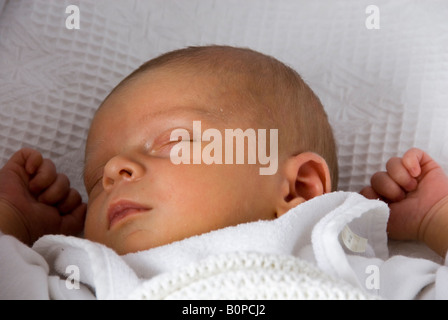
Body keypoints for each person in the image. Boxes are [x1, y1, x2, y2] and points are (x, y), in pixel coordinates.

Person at [0, 46, 447, 299]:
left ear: (298, 187)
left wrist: (438, 216)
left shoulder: (348, 269)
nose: (115, 171)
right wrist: (12, 226)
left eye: (173, 142)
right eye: (97, 181)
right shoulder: (92, 280)